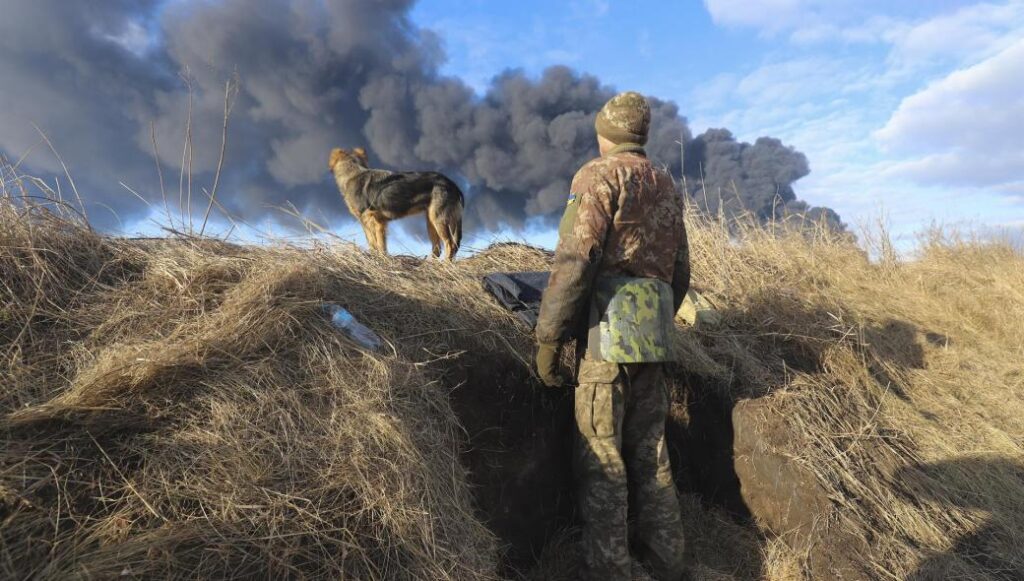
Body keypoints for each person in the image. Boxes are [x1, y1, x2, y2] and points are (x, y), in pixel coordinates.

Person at [534, 91, 691, 581]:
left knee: (601, 458)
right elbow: (680, 270)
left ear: (606, 133)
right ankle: (668, 562)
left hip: (606, 341)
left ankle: (610, 571)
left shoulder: (597, 175)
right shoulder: (665, 182)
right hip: (655, 338)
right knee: (651, 455)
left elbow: (576, 260)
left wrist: (549, 339)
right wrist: (656, 318)